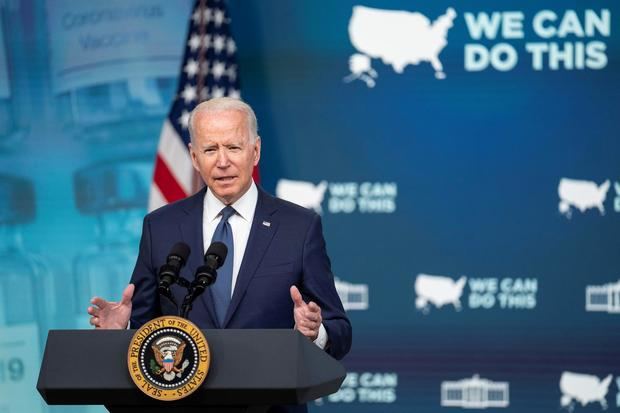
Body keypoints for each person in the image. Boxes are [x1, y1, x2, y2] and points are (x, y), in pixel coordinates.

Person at [87, 97, 352, 366]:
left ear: (256, 151)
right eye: (210, 149)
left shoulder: (299, 226)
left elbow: (340, 330)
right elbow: (146, 323)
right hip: (187, 401)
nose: (222, 161)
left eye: (234, 147)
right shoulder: (161, 226)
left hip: (271, 401)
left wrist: (315, 331)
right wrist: (121, 330)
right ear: (194, 157)